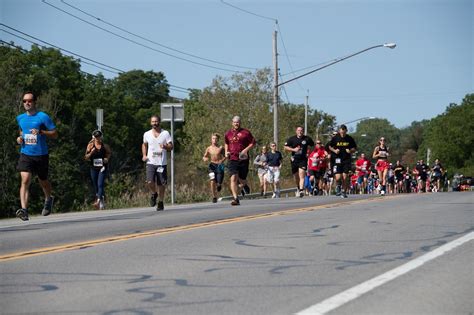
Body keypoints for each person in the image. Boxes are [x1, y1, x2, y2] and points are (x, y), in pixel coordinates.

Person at [15, 92, 58, 221]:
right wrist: (19, 138)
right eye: (24, 101)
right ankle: (24, 210)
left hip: (41, 155)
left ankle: (48, 198)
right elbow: (22, 131)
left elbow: (55, 134)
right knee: (25, 180)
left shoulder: (43, 117)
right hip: (26, 154)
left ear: (34, 102)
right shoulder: (20, 118)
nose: (27, 103)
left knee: (43, 181)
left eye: (30, 101)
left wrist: (42, 132)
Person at [142, 115, 173, 211]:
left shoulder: (165, 133)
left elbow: (171, 147)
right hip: (150, 162)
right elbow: (144, 144)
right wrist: (144, 155)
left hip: (161, 163)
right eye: (153, 122)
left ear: (159, 122)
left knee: (161, 184)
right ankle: (154, 193)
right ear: (151, 123)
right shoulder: (147, 134)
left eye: (156, 121)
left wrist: (165, 146)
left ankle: (160, 202)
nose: (154, 123)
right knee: (150, 181)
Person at [224, 116, 255, 206]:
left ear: (240, 123)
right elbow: (226, 142)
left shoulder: (246, 132)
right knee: (233, 178)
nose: (236, 124)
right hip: (232, 159)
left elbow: (253, 142)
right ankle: (236, 198)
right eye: (234, 122)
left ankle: (244, 185)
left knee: (242, 180)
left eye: (237, 122)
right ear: (232, 123)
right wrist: (226, 152)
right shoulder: (228, 133)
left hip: (243, 159)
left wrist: (246, 150)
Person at [284, 126, 314, 197]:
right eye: (298, 130)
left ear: (303, 131)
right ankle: (298, 187)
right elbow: (285, 147)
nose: (300, 132)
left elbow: (313, 145)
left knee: (302, 174)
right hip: (294, 159)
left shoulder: (307, 138)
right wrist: (293, 150)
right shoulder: (292, 139)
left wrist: (309, 153)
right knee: (296, 176)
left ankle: (301, 190)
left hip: (303, 159)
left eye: (301, 130)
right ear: (296, 131)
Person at [84, 130, 112, 210]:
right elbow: (86, 157)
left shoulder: (105, 146)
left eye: (99, 136)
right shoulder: (90, 146)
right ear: (93, 137)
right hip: (93, 168)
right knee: (95, 185)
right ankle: (101, 198)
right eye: (96, 137)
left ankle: (98, 201)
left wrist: (107, 158)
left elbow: (109, 153)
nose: (98, 138)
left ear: (101, 137)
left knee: (100, 184)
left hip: (102, 167)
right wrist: (91, 153)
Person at [328, 124, 357, 198]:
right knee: (338, 177)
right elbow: (330, 146)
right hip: (337, 159)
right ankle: (338, 185)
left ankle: (344, 191)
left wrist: (350, 151)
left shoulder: (349, 139)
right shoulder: (335, 138)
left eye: (344, 131)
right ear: (339, 131)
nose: (342, 133)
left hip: (346, 159)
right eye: (341, 131)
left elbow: (354, 148)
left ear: (346, 131)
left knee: (345, 176)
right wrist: (334, 150)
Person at [203, 133, 226, 203]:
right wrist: (205, 159)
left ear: (218, 140)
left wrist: (222, 161)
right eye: (213, 138)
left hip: (219, 166)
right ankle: (214, 196)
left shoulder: (221, 147)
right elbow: (205, 156)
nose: (214, 140)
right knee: (212, 180)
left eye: (216, 139)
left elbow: (226, 156)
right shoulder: (209, 148)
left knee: (218, 183)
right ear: (211, 139)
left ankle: (219, 185)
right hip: (212, 165)